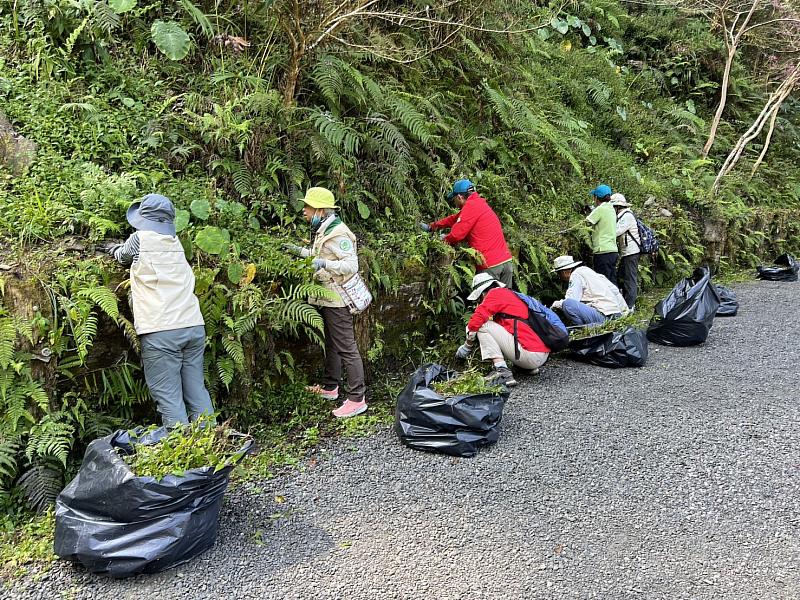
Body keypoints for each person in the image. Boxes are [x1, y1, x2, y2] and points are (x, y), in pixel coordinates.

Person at [106, 194, 215, 427]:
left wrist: (112, 248)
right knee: (197, 392)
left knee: (170, 399)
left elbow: (123, 257)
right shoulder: (175, 242)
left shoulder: (139, 238)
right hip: (193, 326)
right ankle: (212, 447)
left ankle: (182, 455)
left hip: (161, 331)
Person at [283, 187, 368, 419]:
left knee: (347, 348)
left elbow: (351, 265)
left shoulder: (339, 233)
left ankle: (356, 398)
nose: (304, 212)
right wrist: (299, 252)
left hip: (338, 298)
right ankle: (330, 388)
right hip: (327, 297)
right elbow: (317, 254)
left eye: (308, 207)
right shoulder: (325, 229)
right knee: (332, 343)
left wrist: (324, 265)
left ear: (320, 209)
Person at [455, 273, 553, 388]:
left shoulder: (494, 294)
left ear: (482, 293)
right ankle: (525, 368)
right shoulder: (511, 295)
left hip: (530, 355)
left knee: (483, 326)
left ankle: (502, 371)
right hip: (540, 355)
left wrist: (467, 346)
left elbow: (475, 322)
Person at [420, 179, 514, 287]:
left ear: (459, 197)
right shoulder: (479, 204)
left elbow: (456, 235)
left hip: (491, 266)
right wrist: (432, 227)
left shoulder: (471, 207)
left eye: (454, 199)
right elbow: (454, 219)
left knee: (488, 302)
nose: (454, 203)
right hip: (506, 262)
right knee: (505, 302)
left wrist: (443, 239)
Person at [550, 255, 628, 326]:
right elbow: (615, 290)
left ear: (564, 272)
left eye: (559, 274)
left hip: (606, 317)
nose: (560, 277)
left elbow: (572, 299)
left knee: (567, 304)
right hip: (616, 315)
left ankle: (580, 330)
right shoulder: (590, 272)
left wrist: (556, 304)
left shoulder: (576, 275)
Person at [611, 193, 641, 309]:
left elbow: (616, 231)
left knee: (629, 279)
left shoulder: (627, 216)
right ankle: (626, 302)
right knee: (621, 277)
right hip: (627, 253)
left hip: (631, 253)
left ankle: (630, 306)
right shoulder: (622, 216)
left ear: (617, 207)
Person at [586, 184, 618, 285]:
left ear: (596, 197)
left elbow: (586, 223)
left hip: (602, 251)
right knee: (611, 281)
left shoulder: (600, 209)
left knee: (603, 283)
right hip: (612, 250)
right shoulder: (611, 209)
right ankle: (617, 300)